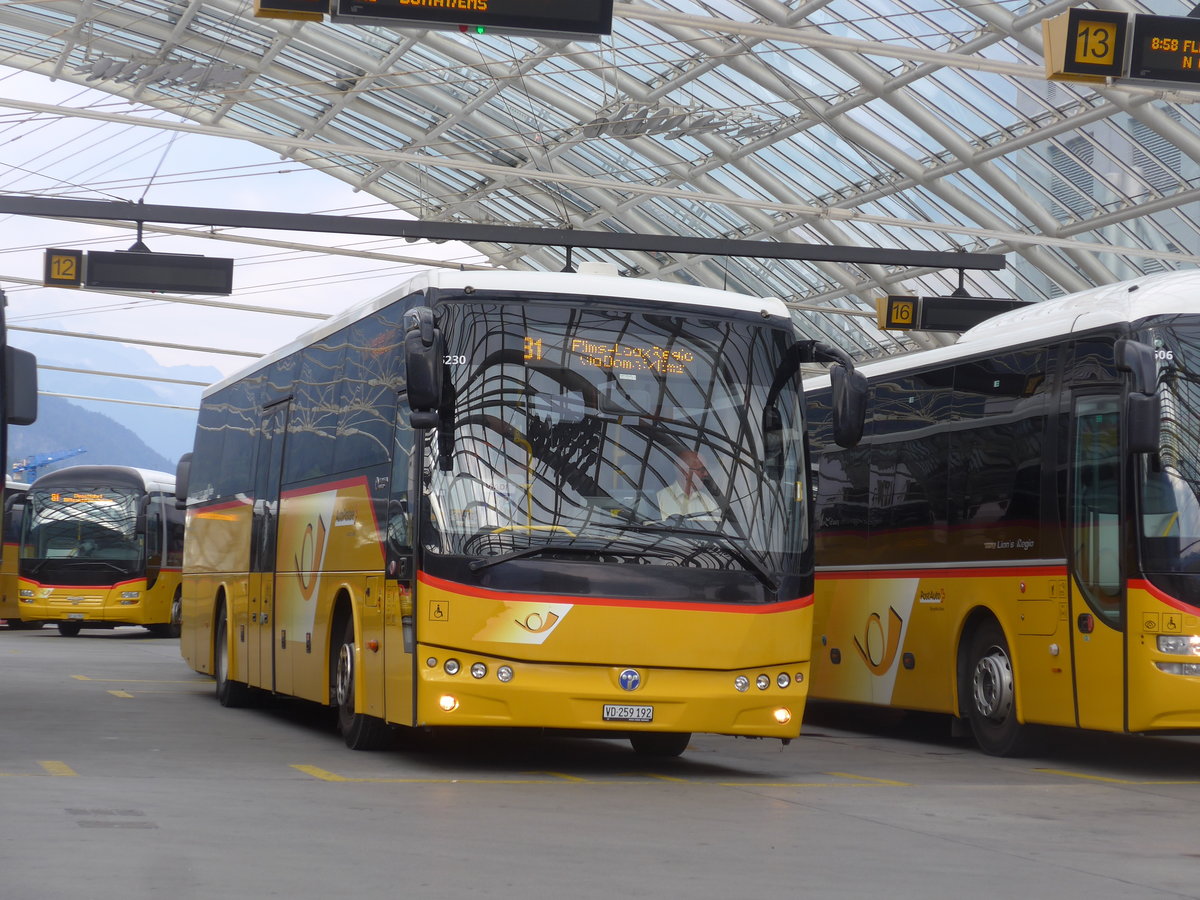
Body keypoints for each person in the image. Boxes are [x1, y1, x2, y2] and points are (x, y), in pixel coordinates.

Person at [657, 449, 720, 520]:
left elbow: (718, 528)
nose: (706, 474)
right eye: (701, 470)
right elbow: (650, 528)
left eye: (706, 469)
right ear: (683, 472)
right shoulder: (659, 499)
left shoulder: (707, 501)